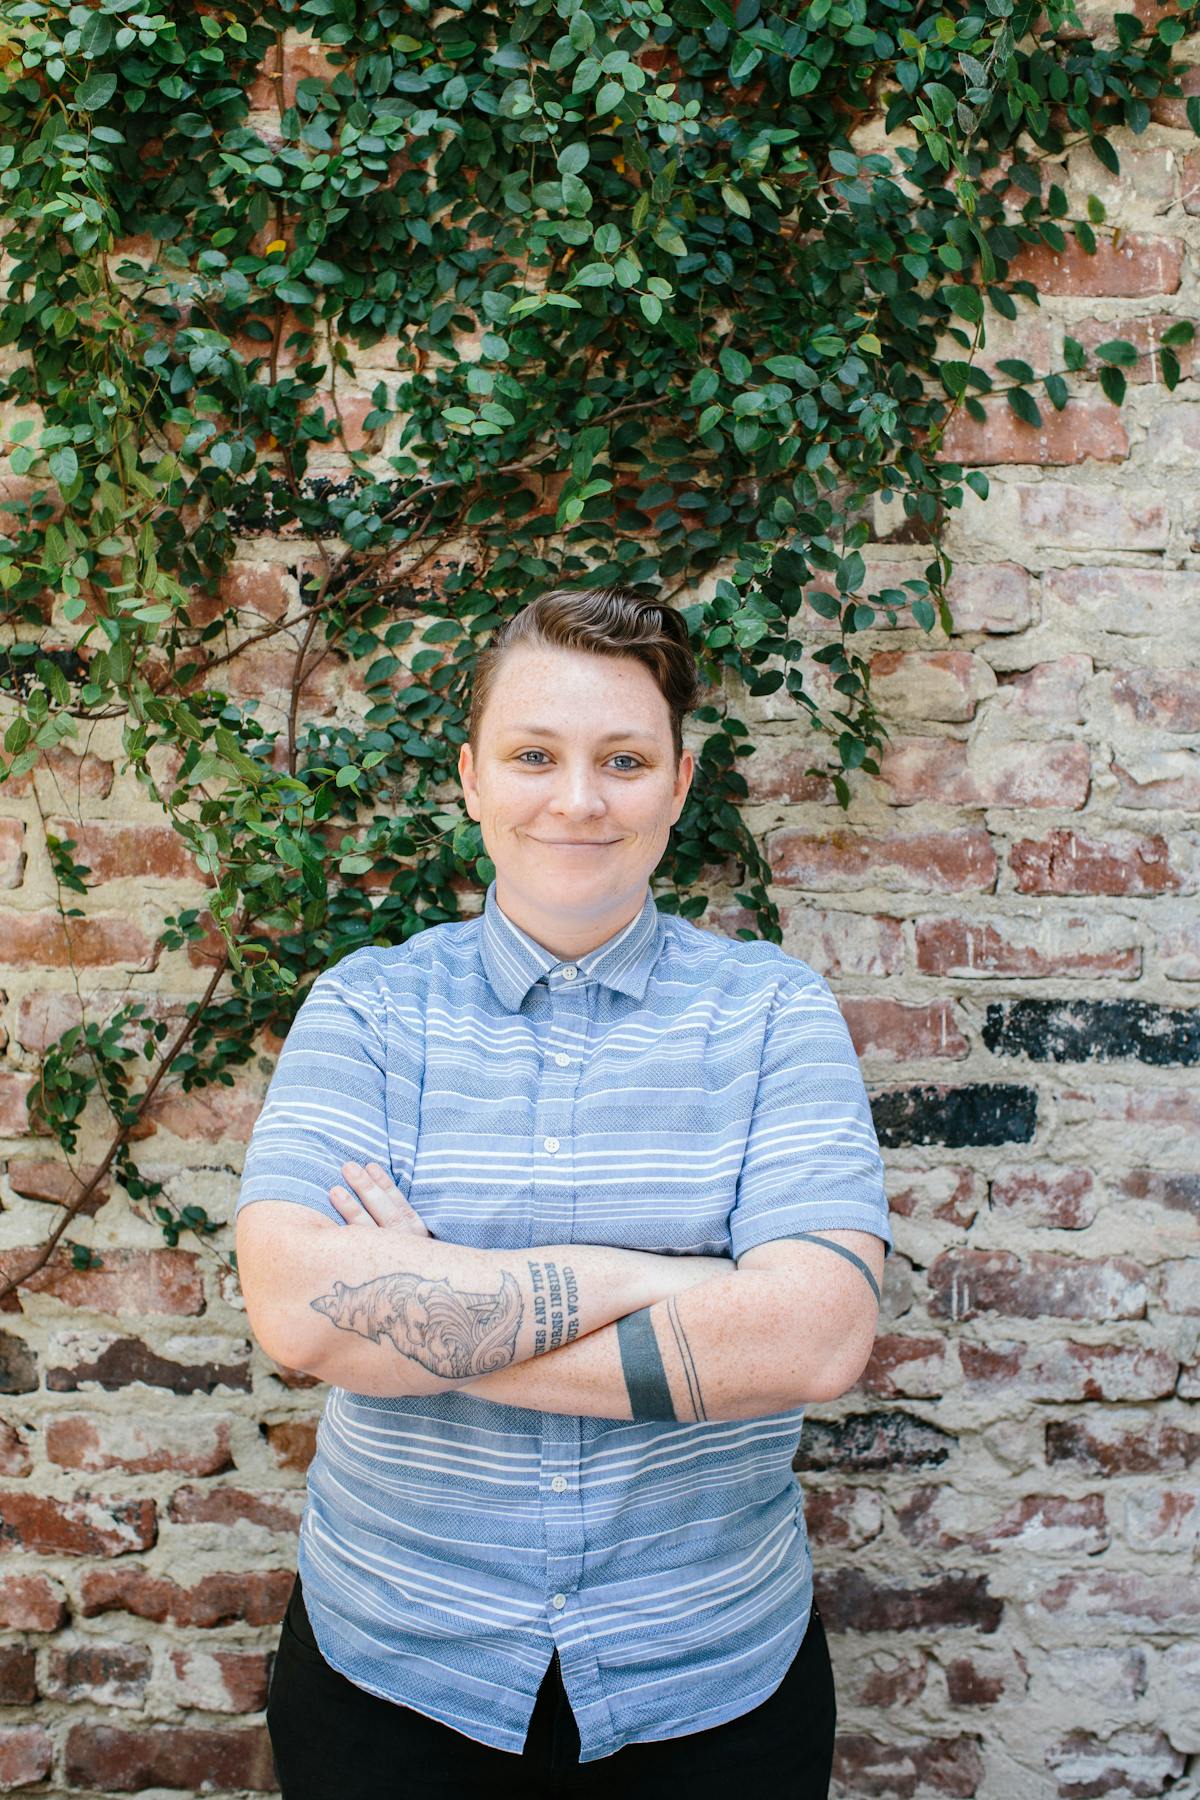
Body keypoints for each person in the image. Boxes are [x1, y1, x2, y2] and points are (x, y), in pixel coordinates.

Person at [235, 586, 891, 1799]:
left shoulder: (771, 1014)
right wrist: (668, 1284)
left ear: (680, 784)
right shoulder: (372, 1008)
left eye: (624, 759)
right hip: (396, 1673)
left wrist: (420, 1304)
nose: (578, 799)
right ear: (474, 777)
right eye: (535, 755)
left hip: (705, 1683)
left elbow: (814, 1335)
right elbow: (294, 1310)